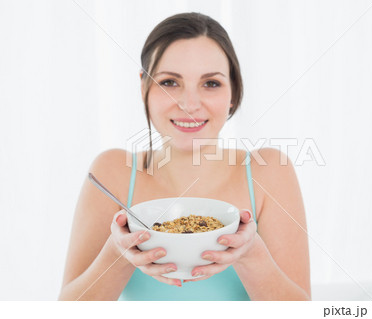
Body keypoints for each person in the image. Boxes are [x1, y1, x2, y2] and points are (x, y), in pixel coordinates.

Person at [58, 12, 310, 301]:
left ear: (233, 92)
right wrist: (118, 255)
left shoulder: (269, 172)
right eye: (169, 82)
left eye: (211, 83)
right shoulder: (112, 172)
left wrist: (251, 254)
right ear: (144, 88)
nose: (189, 104)